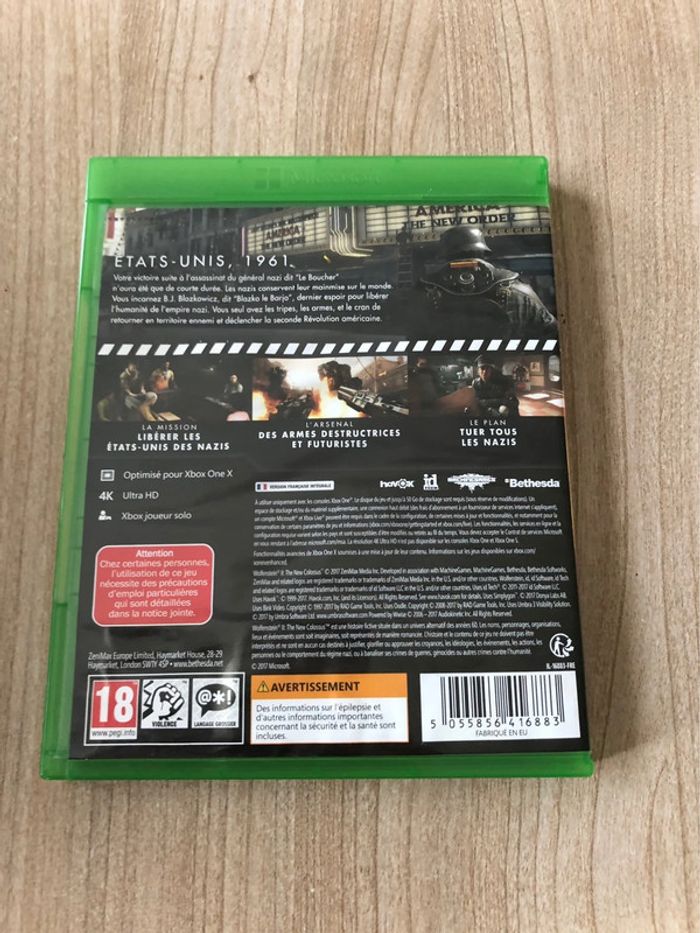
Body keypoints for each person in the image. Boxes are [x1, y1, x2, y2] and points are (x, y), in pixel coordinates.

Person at [395, 226, 558, 340]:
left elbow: (405, 336)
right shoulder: (520, 291)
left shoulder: (421, 295)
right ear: (483, 252)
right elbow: (552, 332)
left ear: (444, 255)